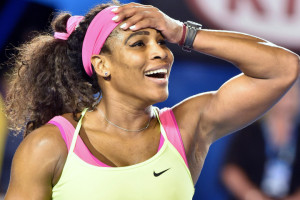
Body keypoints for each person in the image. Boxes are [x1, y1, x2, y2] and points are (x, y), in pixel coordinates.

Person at [4, 1, 299, 199]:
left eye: (161, 41)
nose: (160, 52)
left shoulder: (185, 128)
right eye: (139, 43)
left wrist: (182, 32)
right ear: (102, 65)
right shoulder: (50, 145)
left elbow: (283, 68)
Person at [222, 82, 300, 200]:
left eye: (292, 92)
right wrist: (251, 195)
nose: (287, 97)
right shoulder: (250, 129)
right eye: (284, 92)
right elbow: (230, 171)